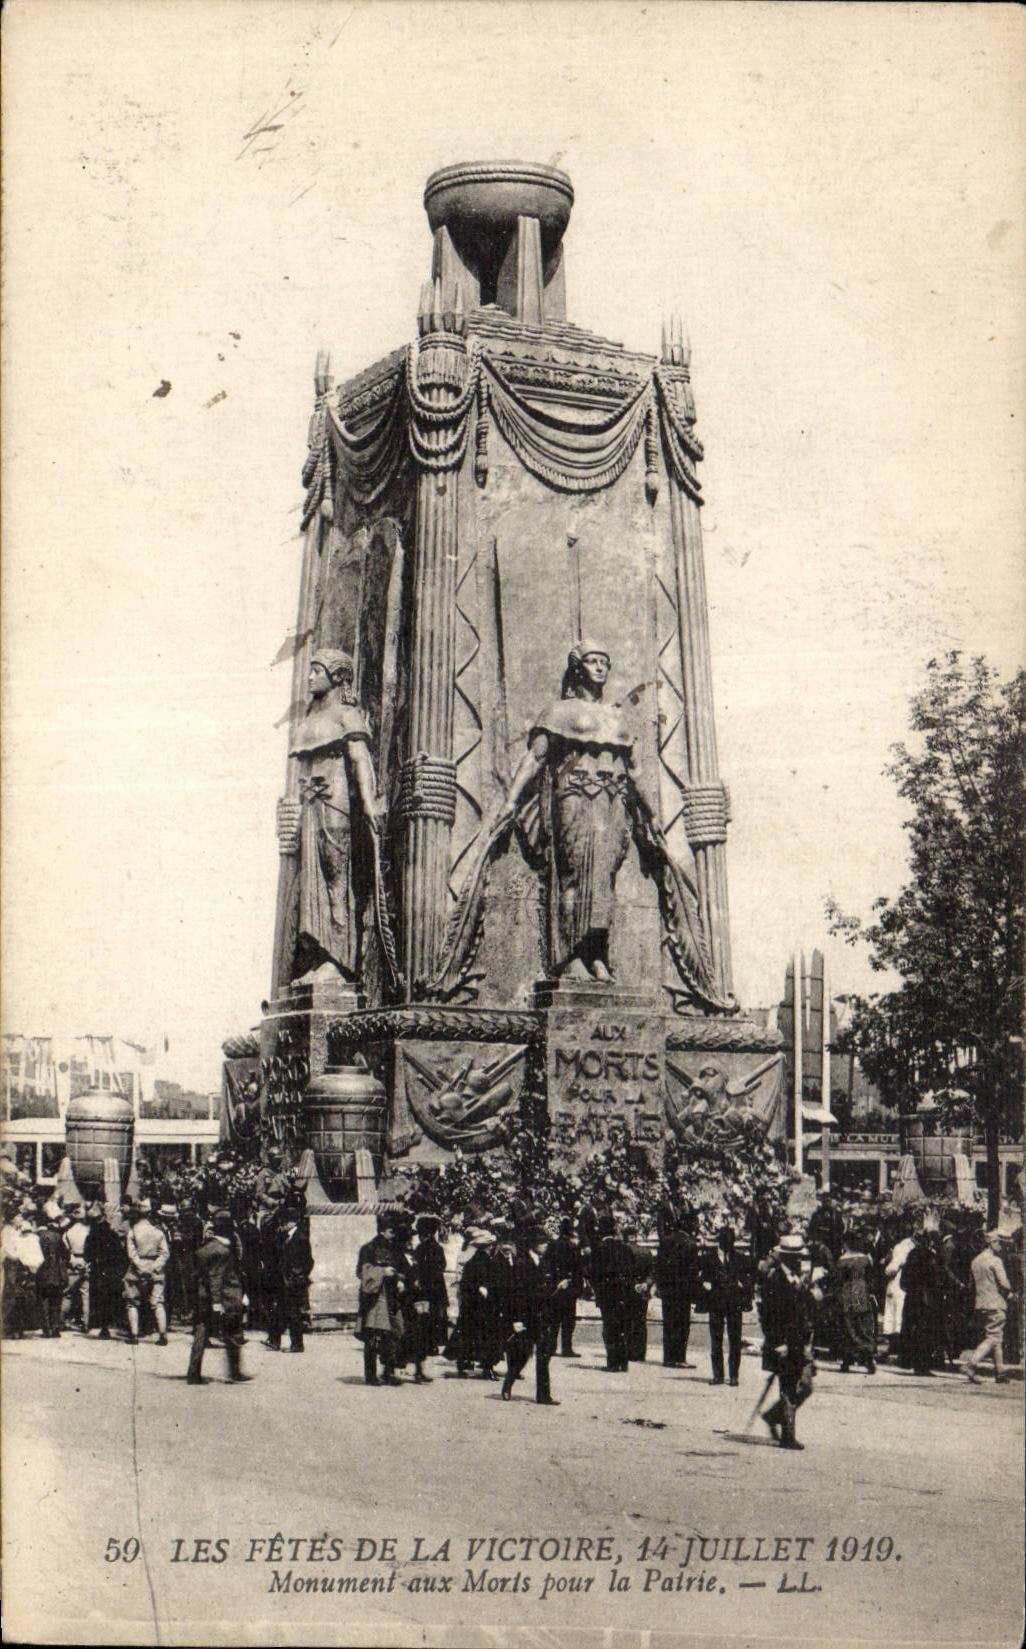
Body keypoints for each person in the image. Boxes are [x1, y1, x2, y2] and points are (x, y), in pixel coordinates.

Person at [435, 641, 729, 1008]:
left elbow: (635, 772)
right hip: (573, 796)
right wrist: (510, 801)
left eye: (605, 662)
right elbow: (535, 759)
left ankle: (596, 956)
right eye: (593, 661)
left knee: (603, 881)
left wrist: (652, 814)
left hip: (613, 803)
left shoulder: (619, 717)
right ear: (578, 668)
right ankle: (568, 957)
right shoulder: (558, 712)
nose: (600, 668)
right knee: (573, 875)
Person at [281, 647, 386, 986]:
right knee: (312, 882)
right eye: (309, 670)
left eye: (317, 670)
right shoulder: (308, 721)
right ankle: (321, 957)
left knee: (335, 881)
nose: (310, 676)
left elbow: (360, 760)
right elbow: (299, 774)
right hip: (311, 805)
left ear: (338, 677)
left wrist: (369, 803)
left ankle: (340, 963)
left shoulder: (346, 715)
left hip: (336, 802)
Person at [759, 1234, 816, 1451]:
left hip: (799, 1340)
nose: (798, 1260)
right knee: (789, 1387)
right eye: (793, 1257)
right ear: (785, 1257)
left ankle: (774, 1416)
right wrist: (777, 1342)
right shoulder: (775, 1280)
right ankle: (788, 1435)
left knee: (806, 1385)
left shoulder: (797, 1278)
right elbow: (769, 1315)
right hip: (782, 1342)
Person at [500, 1222, 567, 1405]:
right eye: (543, 1242)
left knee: (544, 1355)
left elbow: (545, 1290)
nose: (546, 1245)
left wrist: (557, 1287)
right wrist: (515, 1319)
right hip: (526, 1317)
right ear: (534, 1243)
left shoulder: (545, 1262)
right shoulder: (522, 1263)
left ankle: (543, 1395)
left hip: (543, 1316)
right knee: (522, 1354)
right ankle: (508, 1384)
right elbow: (514, 1294)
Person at [188, 1210, 249, 1385]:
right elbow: (216, 1277)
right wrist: (216, 1303)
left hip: (203, 1296)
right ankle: (235, 1372)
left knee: (201, 1333)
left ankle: (193, 1373)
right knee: (233, 1333)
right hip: (225, 1298)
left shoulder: (204, 1248)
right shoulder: (222, 1251)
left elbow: (198, 1275)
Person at [355, 1214, 405, 1386]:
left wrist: (400, 1280)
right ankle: (370, 1375)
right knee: (372, 1337)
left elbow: (403, 1269)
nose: (394, 1234)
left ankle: (388, 1372)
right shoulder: (368, 1248)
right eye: (392, 1231)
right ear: (383, 1231)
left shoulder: (396, 1249)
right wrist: (382, 1272)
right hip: (375, 1298)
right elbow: (360, 1272)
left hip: (392, 1296)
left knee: (392, 1334)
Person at [701, 1225, 751, 1386]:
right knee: (716, 1340)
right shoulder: (709, 1258)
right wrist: (706, 1286)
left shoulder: (740, 1258)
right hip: (716, 1302)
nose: (729, 1246)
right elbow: (702, 1278)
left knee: (735, 1340)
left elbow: (749, 1278)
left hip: (734, 1303)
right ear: (719, 1242)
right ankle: (718, 1375)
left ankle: (734, 1375)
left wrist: (744, 1286)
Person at [964, 1229, 1011, 1384]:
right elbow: (1004, 1283)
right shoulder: (995, 1261)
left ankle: (1000, 1372)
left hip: (981, 1303)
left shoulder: (975, 1261)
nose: (1001, 1247)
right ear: (992, 1243)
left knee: (996, 1336)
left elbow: (972, 1285)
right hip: (996, 1302)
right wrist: (1010, 1292)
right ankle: (971, 1364)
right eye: (999, 1243)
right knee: (993, 1337)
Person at [656, 1209, 699, 1368]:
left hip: (668, 1288)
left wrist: (660, 1286)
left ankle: (668, 1358)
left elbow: (658, 1265)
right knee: (682, 1324)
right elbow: (693, 1272)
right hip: (683, 1290)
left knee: (668, 1323)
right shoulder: (691, 1244)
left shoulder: (666, 1240)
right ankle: (680, 1357)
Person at [123, 1202, 171, 1346]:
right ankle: (162, 1335)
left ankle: (134, 1335)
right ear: (150, 1214)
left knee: (132, 1302)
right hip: (155, 1270)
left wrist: (140, 1266)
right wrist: (155, 1266)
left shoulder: (133, 1231)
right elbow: (165, 1253)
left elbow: (131, 1254)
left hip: (136, 1270)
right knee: (157, 1302)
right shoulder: (158, 1232)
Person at [899, 1225, 944, 1376]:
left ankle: (911, 1361)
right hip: (926, 1299)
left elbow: (904, 1280)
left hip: (912, 1298)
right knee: (925, 1332)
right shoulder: (929, 1257)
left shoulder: (913, 1253)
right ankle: (922, 1365)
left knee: (913, 1330)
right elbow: (936, 1279)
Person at [591, 1213, 633, 1372]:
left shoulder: (599, 1249)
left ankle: (613, 1362)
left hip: (607, 1293)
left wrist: (597, 1289)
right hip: (623, 1292)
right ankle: (624, 1362)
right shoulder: (623, 1247)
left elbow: (593, 1273)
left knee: (609, 1327)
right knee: (622, 1326)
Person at [408, 1214, 449, 1374]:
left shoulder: (421, 1248)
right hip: (437, 1288)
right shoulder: (437, 1248)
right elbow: (442, 1266)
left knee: (424, 1322)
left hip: (425, 1289)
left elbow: (418, 1269)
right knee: (433, 1319)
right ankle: (430, 1347)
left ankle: (424, 1353)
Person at [834, 1226, 878, 1374]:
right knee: (863, 1324)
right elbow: (871, 1278)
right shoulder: (866, 1259)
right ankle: (868, 1354)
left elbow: (838, 1280)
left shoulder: (842, 1261)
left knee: (848, 1326)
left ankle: (847, 1359)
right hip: (862, 1292)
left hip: (847, 1293)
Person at [273, 1198, 313, 1353]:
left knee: (293, 1314)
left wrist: (298, 1276)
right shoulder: (289, 1236)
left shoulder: (300, 1238)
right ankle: (275, 1340)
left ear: (291, 1222)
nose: (282, 1226)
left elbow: (308, 1261)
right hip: (288, 1280)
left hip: (294, 1282)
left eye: (283, 1223)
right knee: (284, 1311)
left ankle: (297, 1344)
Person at [84, 1204, 125, 1339]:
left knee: (99, 1298)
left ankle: (102, 1326)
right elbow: (119, 1253)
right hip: (112, 1270)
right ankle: (110, 1324)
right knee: (111, 1298)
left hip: (98, 1269)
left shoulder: (92, 1235)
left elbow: (88, 1254)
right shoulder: (112, 1234)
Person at [547, 1216, 584, 1356]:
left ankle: (551, 1347)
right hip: (569, 1287)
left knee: (554, 1320)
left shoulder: (552, 1245)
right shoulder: (573, 1247)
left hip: (555, 1286)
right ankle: (566, 1348)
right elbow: (578, 1269)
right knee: (568, 1320)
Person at [882, 1217, 915, 1362]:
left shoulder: (900, 1247)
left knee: (894, 1315)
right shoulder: (912, 1246)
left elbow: (892, 1269)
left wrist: (885, 1265)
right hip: (907, 1285)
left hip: (896, 1284)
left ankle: (894, 1346)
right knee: (900, 1315)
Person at [624, 1224, 654, 1362]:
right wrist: (645, 1284)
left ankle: (629, 1351)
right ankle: (640, 1353)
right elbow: (652, 1272)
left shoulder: (623, 1251)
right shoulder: (646, 1251)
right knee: (641, 1322)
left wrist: (633, 1284)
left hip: (628, 1290)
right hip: (643, 1290)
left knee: (628, 1321)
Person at [36, 1211, 68, 1337]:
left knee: (43, 1301)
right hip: (56, 1274)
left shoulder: (36, 1237)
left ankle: (46, 1329)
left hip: (41, 1273)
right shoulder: (57, 1236)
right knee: (56, 1301)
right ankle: (55, 1328)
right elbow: (66, 1255)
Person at [61, 1204, 91, 1331]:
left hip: (73, 1262)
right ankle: (86, 1323)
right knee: (85, 1294)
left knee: (67, 1293)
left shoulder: (68, 1233)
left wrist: (73, 1261)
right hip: (86, 1261)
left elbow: (66, 1251)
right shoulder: (89, 1231)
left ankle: (61, 1321)